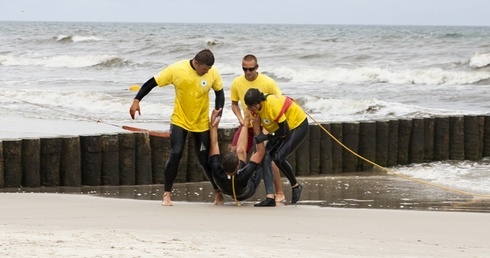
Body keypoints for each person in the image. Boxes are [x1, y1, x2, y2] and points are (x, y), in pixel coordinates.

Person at [129, 49, 225, 206]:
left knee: (203, 159)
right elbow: (151, 82)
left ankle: (217, 193)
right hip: (179, 120)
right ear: (196, 62)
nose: (206, 72)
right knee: (176, 152)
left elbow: (220, 94)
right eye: (204, 69)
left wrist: (218, 112)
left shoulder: (212, 73)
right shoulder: (176, 69)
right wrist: (136, 100)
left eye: (208, 69)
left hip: (201, 122)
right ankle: (167, 195)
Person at [229, 54, 285, 203]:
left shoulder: (268, 83)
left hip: (265, 124)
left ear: (257, 67)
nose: (247, 72)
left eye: (250, 69)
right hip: (247, 123)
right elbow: (234, 103)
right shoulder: (237, 83)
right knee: (234, 150)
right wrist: (241, 120)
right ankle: (237, 185)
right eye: (244, 69)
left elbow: (279, 103)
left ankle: (279, 192)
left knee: (266, 156)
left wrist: (267, 130)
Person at [244, 88, 308, 204]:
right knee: (266, 157)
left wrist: (265, 137)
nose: (249, 109)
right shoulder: (256, 110)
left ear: (258, 103)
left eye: (251, 107)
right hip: (279, 128)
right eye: (248, 106)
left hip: (297, 125)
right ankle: (270, 197)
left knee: (278, 158)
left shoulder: (272, 106)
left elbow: (285, 131)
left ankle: (295, 186)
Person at [209, 108, 277, 206]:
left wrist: (213, 125)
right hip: (247, 190)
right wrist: (257, 129)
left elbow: (214, 144)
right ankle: (266, 128)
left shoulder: (216, 169)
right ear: (237, 167)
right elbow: (260, 153)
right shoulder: (243, 175)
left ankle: (245, 122)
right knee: (257, 154)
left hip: (230, 188)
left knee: (240, 151)